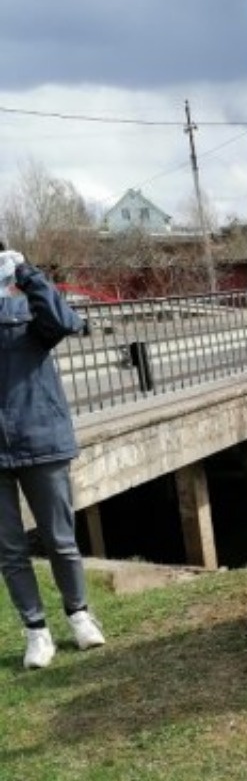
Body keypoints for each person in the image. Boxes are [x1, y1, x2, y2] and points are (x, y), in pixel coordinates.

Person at [0, 246, 105, 668]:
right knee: (10, 550)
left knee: (60, 539)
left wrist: (27, 273)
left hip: (41, 437)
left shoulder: (26, 309)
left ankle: (79, 615)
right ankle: (36, 632)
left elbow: (64, 322)